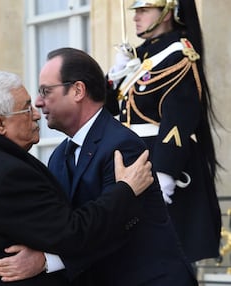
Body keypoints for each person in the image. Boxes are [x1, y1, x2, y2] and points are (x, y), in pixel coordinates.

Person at [0, 48, 197, 285]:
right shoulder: (59, 156)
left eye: (46, 91)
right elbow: (57, 221)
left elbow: (115, 228)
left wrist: (45, 260)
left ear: (78, 90)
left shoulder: (122, 146)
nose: (38, 102)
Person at [0, 70, 154, 286]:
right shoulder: (8, 174)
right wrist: (126, 190)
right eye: (26, 109)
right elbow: (73, 235)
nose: (36, 114)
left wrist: (44, 260)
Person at [106, 0, 221, 263]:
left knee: (166, 262)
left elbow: (178, 121)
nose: (136, 17)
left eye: (144, 10)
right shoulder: (142, 57)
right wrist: (115, 73)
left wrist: (165, 174)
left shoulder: (179, 55)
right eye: (136, 11)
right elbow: (109, 106)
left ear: (169, 12)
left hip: (163, 166)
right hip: (135, 166)